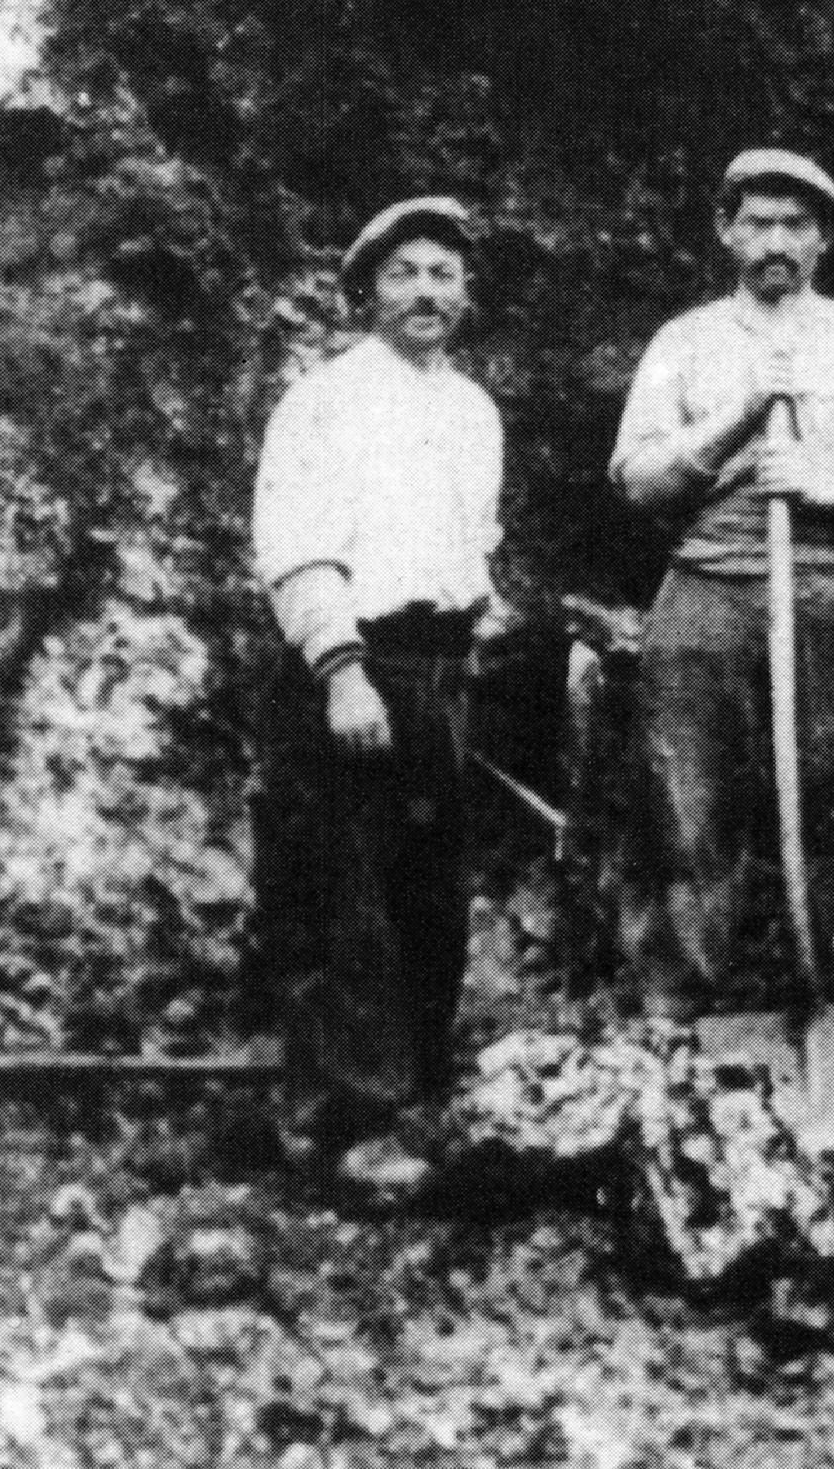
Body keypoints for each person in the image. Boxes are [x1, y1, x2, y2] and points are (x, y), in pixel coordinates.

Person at [610, 149, 834, 1019]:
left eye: (795, 225)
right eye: (756, 221)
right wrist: (737, 418)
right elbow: (638, 483)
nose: (774, 241)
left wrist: (833, 488)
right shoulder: (682, 344)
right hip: (710, 586)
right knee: (686, 803)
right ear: (725, 231)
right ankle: (673, 1013)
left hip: (832, 588)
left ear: (823, 238)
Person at [251, 195, 506, 1197]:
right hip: (349, 667)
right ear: (366, 292)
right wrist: (341, 668)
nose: (426, 291)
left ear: (467, 293)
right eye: (404, 273)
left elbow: (468, 545)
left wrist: (482, 626)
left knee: (427, 898)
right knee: (338, 894)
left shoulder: (473, 410)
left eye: (444, 272)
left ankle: (404, 1102)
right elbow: (296, 541)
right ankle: (347, 1126)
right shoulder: (324, 400)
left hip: (439, 672)